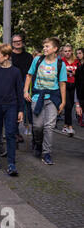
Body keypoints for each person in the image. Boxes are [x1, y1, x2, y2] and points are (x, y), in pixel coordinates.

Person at [24, 37, 67, 165]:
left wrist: (63, 102)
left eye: (47, 46)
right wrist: (25, 91)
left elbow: (62, 84)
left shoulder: (60, 64)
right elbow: (29, 75)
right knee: (37, 126)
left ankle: (46, 152)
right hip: (37, 97)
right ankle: (38, 144)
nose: (44, 48)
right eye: (44, 46)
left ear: (55, 49)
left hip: (53, 98)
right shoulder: (38, 60)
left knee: (49, 127)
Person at [0, 44, 24, 176]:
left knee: (11, 133)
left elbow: (20, 92)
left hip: (11, 106)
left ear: (6, 56)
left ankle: (12, 163)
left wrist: (21, 110)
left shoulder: (15, 72)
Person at [11, 34, 34, 142]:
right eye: (15, 41)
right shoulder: (9, 56)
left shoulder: (29, 56)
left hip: (27, 85)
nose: (18, 43)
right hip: (13, 85)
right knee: (14, 109)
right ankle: (16, 133)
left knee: (29, 109)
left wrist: (27, 89)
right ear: (12, 43)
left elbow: (31, 73)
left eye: (19, 41)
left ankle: (34, 134)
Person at [61, 44, 80, 136]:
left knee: (70, 106)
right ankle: (70, 127)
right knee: (67, 106)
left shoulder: (77, 61)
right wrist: (67, 72)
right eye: (65, 51)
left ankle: (65, 126)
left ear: (72, 51)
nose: (67, 52)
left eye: (69, 51)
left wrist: (74, 73)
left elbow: (80, 73)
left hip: (74, 86)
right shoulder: (61, 61)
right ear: (63, 52)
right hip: (65, 85)